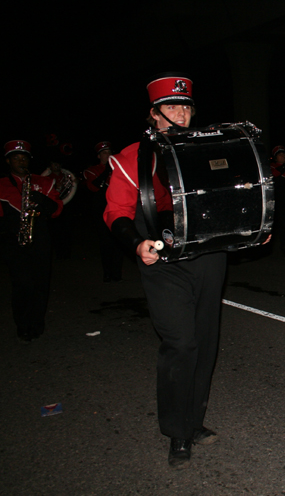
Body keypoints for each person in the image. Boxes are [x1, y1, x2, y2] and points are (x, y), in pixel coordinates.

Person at [104, 74, 227, 468]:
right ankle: (177, 433)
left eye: (186, 106)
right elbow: (116, 211)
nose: (181, 113)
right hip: (164, 261)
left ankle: (194, 422)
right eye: (172, 107)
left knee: (205, 344)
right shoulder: (131, 157)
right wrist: (135, 243)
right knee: (181, 344)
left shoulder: (209, 148)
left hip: (209, 257)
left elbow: (232, 196)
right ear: (154, 115)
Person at [0, 140, 63, 343]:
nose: (21, 161)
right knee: (22, 283)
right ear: (8, 161)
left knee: (41, 283)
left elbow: (57, 209)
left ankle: (37, 322)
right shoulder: (1, 185)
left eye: (24, 157)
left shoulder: (43, 182)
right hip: (12, 241)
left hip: (40, 237)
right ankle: (22, 323)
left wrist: (41, 199)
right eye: (16, 158)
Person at [83, 141, 123, 282]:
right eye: (105, 153)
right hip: (101, 210)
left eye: (109, 152)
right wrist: (107, 169)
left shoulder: (118, 169)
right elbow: (94, 187)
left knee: (118, 241)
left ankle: (117, 273)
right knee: (105, 243)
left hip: (117, 209)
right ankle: (107, 272)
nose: (108, 155)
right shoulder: (92, 170)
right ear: (99, 156)